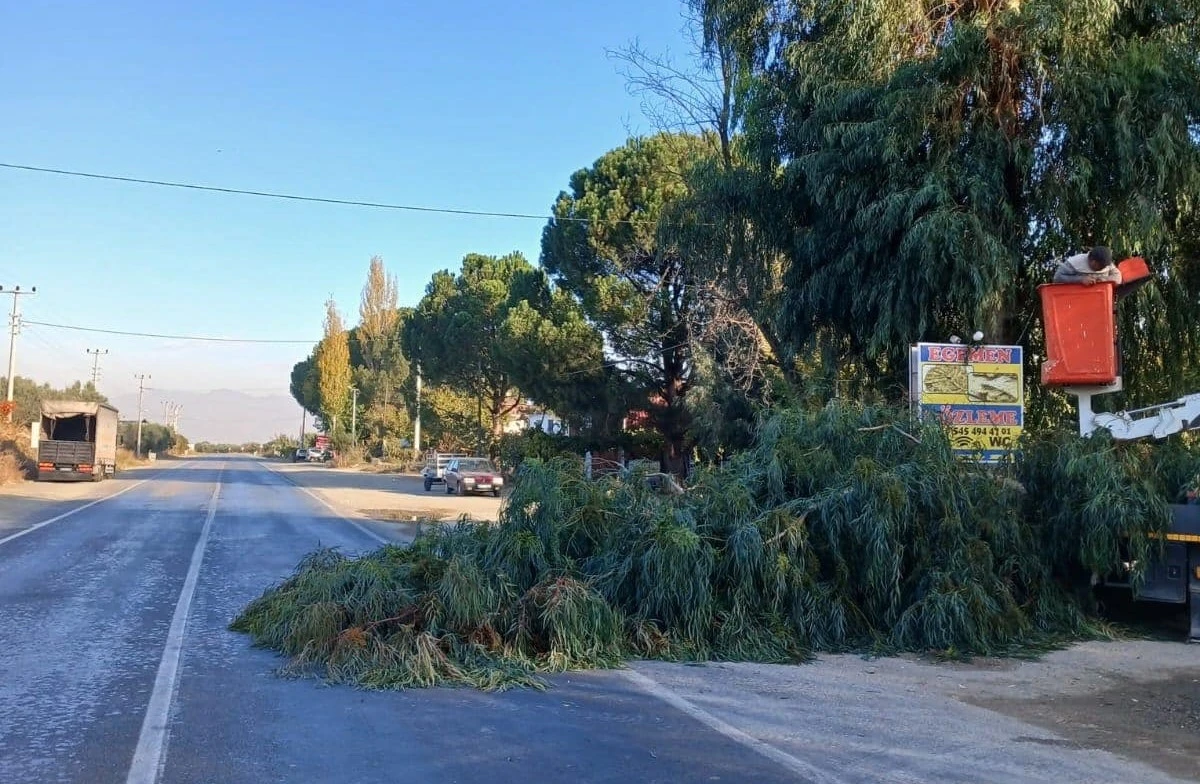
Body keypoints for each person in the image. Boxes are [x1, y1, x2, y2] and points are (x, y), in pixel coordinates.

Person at [1053, 246, 1122, 286]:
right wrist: (1080, 279)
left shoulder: (1107, 264)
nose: (1103, 268)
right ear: (1093, 262)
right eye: (1101, 266)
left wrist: (1104, 279)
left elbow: (1118, 278)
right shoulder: (1074, 262)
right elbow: (1057, 278)